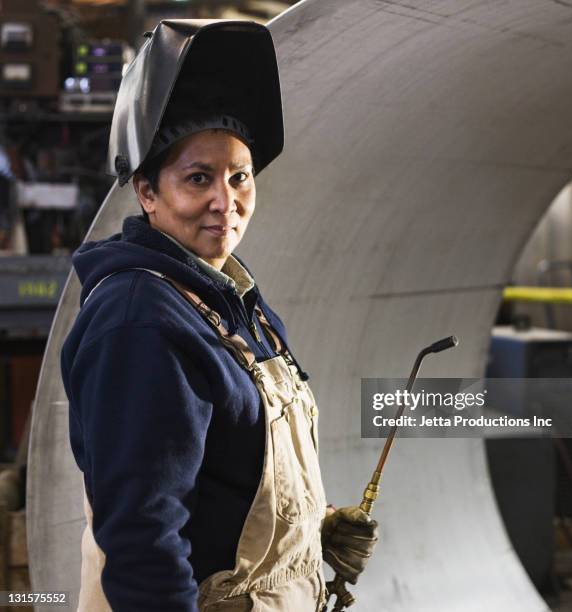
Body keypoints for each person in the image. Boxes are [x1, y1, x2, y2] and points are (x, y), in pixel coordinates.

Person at [61, 19, 378, 612]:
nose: (224, 202)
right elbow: (142, 537)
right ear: (147, 192)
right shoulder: (141, 323)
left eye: (239, 177)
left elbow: (228, 480)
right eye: (197, 179)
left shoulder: (230, 301)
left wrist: (316, 530)